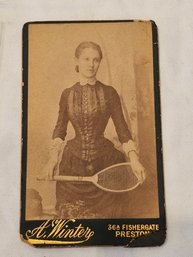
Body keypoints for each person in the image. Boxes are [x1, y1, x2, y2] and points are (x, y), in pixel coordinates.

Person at [43, 41, 145, 218]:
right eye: (86, 59)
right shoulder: (67, 94)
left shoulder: (109, 93)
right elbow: (60, 129)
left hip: (106, 165)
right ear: (77, 61)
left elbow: (122, 129)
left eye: (96, 60)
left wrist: (134, 160)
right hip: (72, 165)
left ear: (100, 62)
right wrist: (52, 159)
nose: (91, 64)